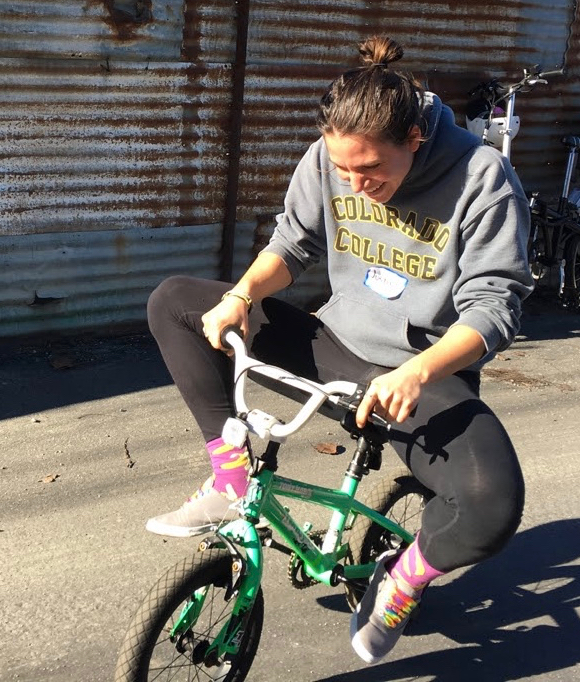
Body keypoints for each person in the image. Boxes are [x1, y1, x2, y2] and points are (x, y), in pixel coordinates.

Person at [145, 34, 532, 665]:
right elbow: (293, 243)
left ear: (414, 137)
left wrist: (418, 372)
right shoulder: (332, 158)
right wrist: (242, 295)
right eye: (343, 170)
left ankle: (401, 581)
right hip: (334, 351)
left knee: (493, 503)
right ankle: (231, 477)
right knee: (174, 301)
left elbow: (494, 307)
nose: (354, 184)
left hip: (420, 378)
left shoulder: (483, 177)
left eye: (369, 170)